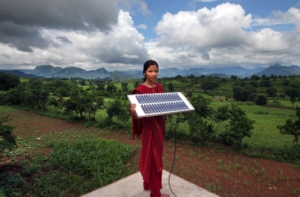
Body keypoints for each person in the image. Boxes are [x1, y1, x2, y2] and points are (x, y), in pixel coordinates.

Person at [130, 60, 169, 197]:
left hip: (160, 125)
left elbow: (163, 106)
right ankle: (155, 193)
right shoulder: (139, 90)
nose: (154, 74)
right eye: (150, 71)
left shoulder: (160, 87)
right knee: (152, 157)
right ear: (144, 72)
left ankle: (147, 184)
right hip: (149, 128)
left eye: (156, 71)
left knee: (155, 155)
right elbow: (136, 116)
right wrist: (133, 111)